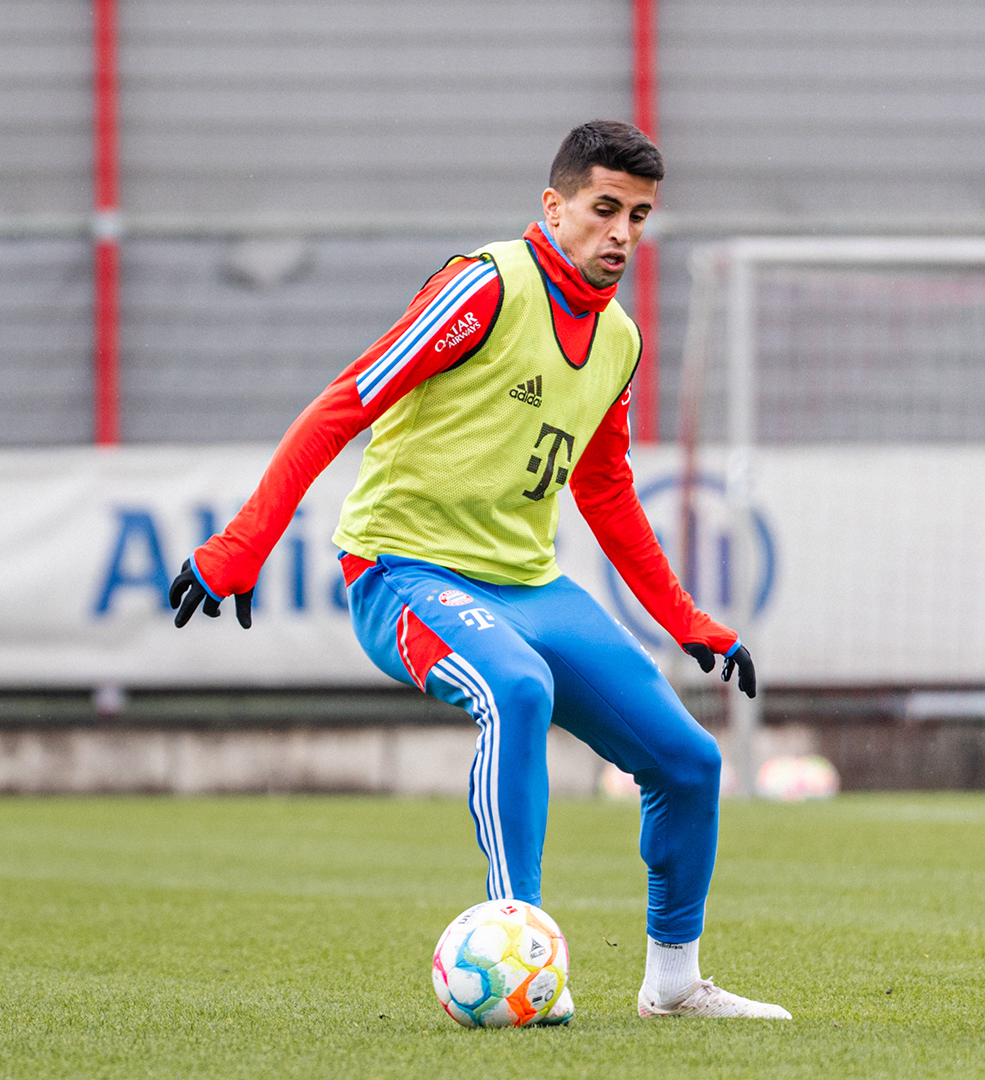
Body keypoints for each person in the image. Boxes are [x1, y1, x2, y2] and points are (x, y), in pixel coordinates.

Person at [168, 120, 790, 1023]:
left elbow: (607, 488)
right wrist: (240, 547)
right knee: (516, 686)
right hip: (405, 571)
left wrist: (688, 620)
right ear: (555, 206)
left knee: (690, 762)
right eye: (604, 208)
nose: (621, 233)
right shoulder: (487, 286)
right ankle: (519, 945)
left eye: (640, 217)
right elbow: (344, 404)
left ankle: (673, 984)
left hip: (529, 586)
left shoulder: (618, 340)